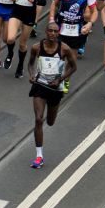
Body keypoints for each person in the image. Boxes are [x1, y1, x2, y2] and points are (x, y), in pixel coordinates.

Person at [26, 22, 77, 168]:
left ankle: (50, 115)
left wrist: (60, 79)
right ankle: (39, 156)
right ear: (46, 32)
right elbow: (30, 64)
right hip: (40, 86)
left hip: (55, 89)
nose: (53, 34)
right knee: (38, 119)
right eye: (50, 31)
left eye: (55, 31)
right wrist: (31, 75)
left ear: (58, 33)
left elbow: (74, 67)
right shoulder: (37, 47)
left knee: (50, 121)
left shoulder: (64, 49)